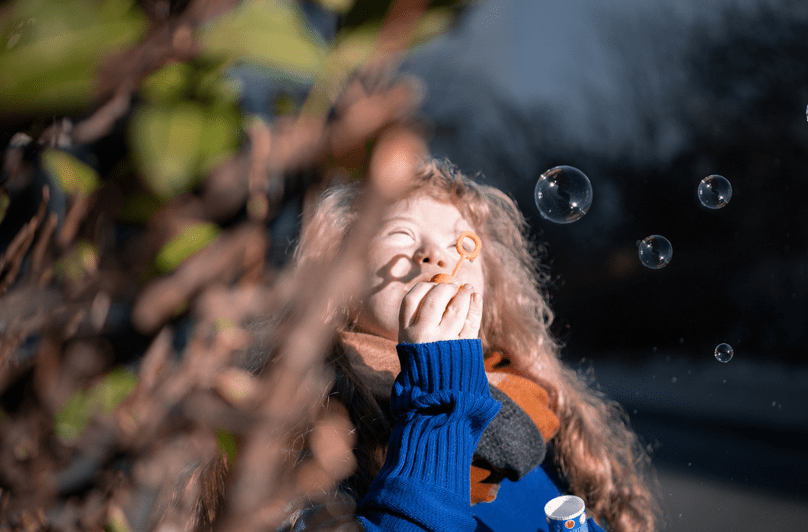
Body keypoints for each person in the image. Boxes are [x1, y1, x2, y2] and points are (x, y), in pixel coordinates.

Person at [276, 158, 662, 532]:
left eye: (461, 242)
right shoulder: (303, 420)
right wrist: (441, 390)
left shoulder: (533, 409)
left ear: (489, 293)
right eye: (400, 234)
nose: (436, 255)